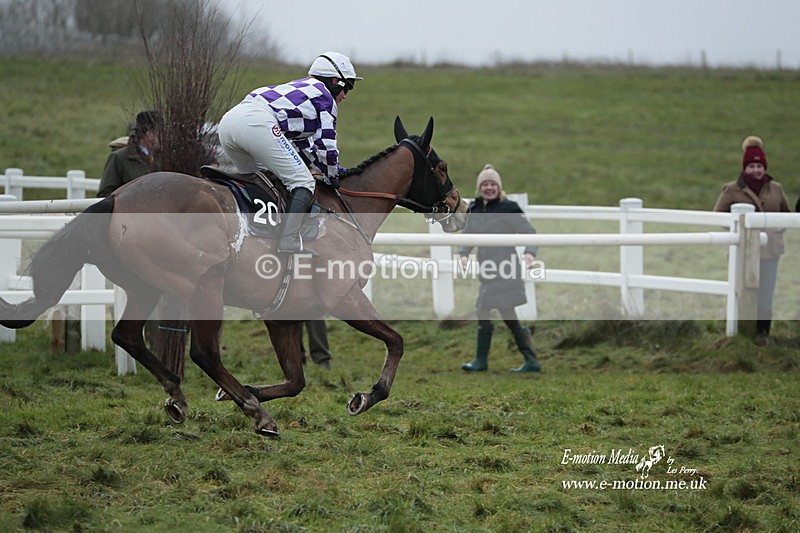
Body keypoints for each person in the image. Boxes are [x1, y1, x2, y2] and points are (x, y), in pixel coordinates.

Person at [217, 51, 362, 255]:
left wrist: (325, 168)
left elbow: (306, 148)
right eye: (348, 87)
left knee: (265, 181)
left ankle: (253, 233)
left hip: (228, 123)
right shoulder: (325, 97)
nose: (345, 95)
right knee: (304, 182)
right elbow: (327, 146)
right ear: (335, 81)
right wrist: (334, 176)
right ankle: (289, 240)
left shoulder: (302, 91)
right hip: (256, 123)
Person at [457, 164, 541, 373]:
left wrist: (530, 251)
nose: (489, 188)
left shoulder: (509, 208)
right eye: (485, 184)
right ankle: (529, 360)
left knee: (484, 310)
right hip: (486, 269)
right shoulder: (474, 209)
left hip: (506, 268)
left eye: (493, 184)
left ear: (499, 187)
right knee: (507, 314)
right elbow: (468, 235)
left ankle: (482, 361)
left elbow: (530, 232)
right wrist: (463, 253)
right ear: (479, 187)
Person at [713, 136, 790, 340]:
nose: (756, 170)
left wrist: (778, 229)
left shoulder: (776, 189)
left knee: (766, 296)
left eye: (759, 165)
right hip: (742, 251)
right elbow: (718, 217)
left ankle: (763, 335)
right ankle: (740, 335)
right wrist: (739, 230)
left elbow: (786, 215)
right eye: (751, 166)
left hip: (770, 251)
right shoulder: (731, 190)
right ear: (744, 168)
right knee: (743, 292)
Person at [97, 110, 162, 197]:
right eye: (160, 132)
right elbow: (104, 195)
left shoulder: (166, 157)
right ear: (148, 134)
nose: (165, 136)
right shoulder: (118, 158)